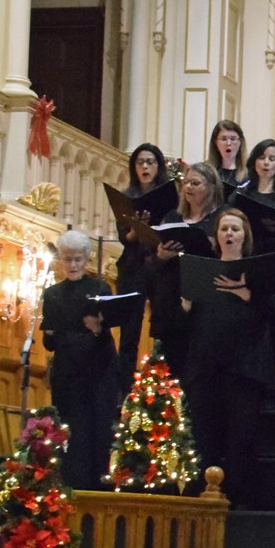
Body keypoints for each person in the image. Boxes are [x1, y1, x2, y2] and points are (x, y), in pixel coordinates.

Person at [180, 209, 275, 506]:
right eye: (224, 229)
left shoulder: (258, 275)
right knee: (205, 440)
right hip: (206, 368)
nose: (230, 234)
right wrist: (184, 305)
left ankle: (239, 506)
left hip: (245, 371)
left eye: (235, 229)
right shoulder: (201, 272)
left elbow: (272, 319)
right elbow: (182, 327)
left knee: (241, 442)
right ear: (216, 236)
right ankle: (204, 504)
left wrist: (246, 293)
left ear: (245, 235)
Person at [41, 231, 120, 491]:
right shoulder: (52, 294)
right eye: (67, 259)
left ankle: (97, 489)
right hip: (68, 376)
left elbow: (104, 334)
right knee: (70, 434)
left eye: (77, 259)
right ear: (60, 260)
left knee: (98, 433)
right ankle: (68, 487)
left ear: (86, 259)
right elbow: (49, 342)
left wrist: (96, 329)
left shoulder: (99, 289)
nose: (72, 265)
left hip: (97, 375)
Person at [151, 163, 229, 377]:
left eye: (195, 183)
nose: (188, 187)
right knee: (171, 368)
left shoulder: (222, 217)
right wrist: (161, 256)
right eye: (186, 183)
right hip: (172, 296)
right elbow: (152, 264)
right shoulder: (172, 218)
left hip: (205, 297)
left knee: (201, 369)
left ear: (212, 187)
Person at [113, 143, 168, 389]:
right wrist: (136, 229)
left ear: (158, 166)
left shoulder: (168, 197)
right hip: (133, 267)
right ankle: (124, 391)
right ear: (134, 167)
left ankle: (161, 386)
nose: (145, 167)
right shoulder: (126, 197)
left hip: (159, 266)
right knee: (129, 332)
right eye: (140, 162)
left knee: (161, 328)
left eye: (150, 162)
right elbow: (125, 238)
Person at [207, 120, 248, 186]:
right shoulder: (206, 171)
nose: (228, 143)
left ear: (240, 142)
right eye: (224, 139)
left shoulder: (249, 173)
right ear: (216, 142)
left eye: (233, 139)